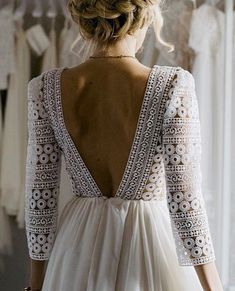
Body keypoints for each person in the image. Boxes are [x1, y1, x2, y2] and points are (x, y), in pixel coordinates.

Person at [24, 0, 224, 290]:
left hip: (76, 249)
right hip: (148, 248)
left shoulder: (44, 88)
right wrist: (213, 286)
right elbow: (185, 201)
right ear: (145, 17)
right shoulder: (173, 86)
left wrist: (36, 283)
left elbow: (39, 198)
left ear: (84, 21)